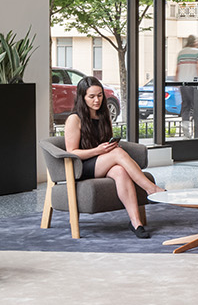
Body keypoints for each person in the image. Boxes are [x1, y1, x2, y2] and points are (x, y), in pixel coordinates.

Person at [64, 75, 163, 238]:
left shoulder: (103, 116)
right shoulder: (74, 119)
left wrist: (110, 147)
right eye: (91, 97)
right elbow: (72, 152)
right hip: (82, 166)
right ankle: (151, 189)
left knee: (120, 171)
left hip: (101, 162)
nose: (97, 100)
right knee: (117, 154)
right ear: (82, 97)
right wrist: (99, 150)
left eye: (99, 95)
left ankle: (136, 223)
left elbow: (105, 143)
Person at [175, 35, 198, 138]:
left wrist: (177, 83)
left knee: (185, 106)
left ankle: (186, 132)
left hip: (183, 83)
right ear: (195, 42)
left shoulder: (181, 53)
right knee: (196, 106)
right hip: (194, 83)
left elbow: (177, 70)